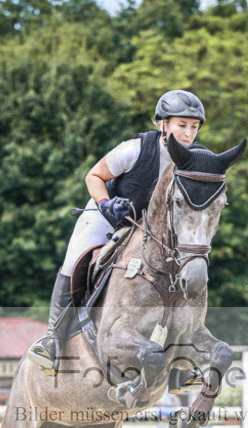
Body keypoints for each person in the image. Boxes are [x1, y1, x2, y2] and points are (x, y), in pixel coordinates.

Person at [28, 90, 207, 374]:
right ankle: (52, 340)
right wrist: (106, 203)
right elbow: (94, 176)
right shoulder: (135, 149)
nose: (188, 133)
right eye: (181, 125)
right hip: (107, 216)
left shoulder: (194, 159)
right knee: (75, 260)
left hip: (150, 230)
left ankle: (183, 353)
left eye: (193, 127)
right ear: (163, 124)